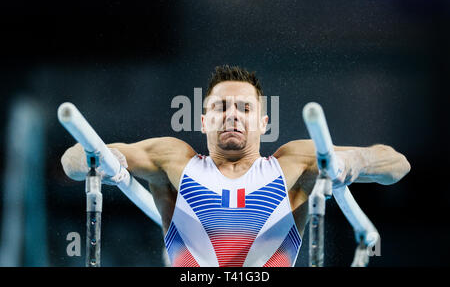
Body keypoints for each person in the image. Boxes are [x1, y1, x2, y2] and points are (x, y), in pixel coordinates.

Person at [61, 65, 411, 267]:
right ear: (203, 119)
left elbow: (398, 165)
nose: (231, 115)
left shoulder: (294, 163)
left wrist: (355, 161)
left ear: (263, 122)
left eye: (244, 108)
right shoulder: (173, 159)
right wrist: (99, 161)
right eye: (221, 107)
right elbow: (71, 159)